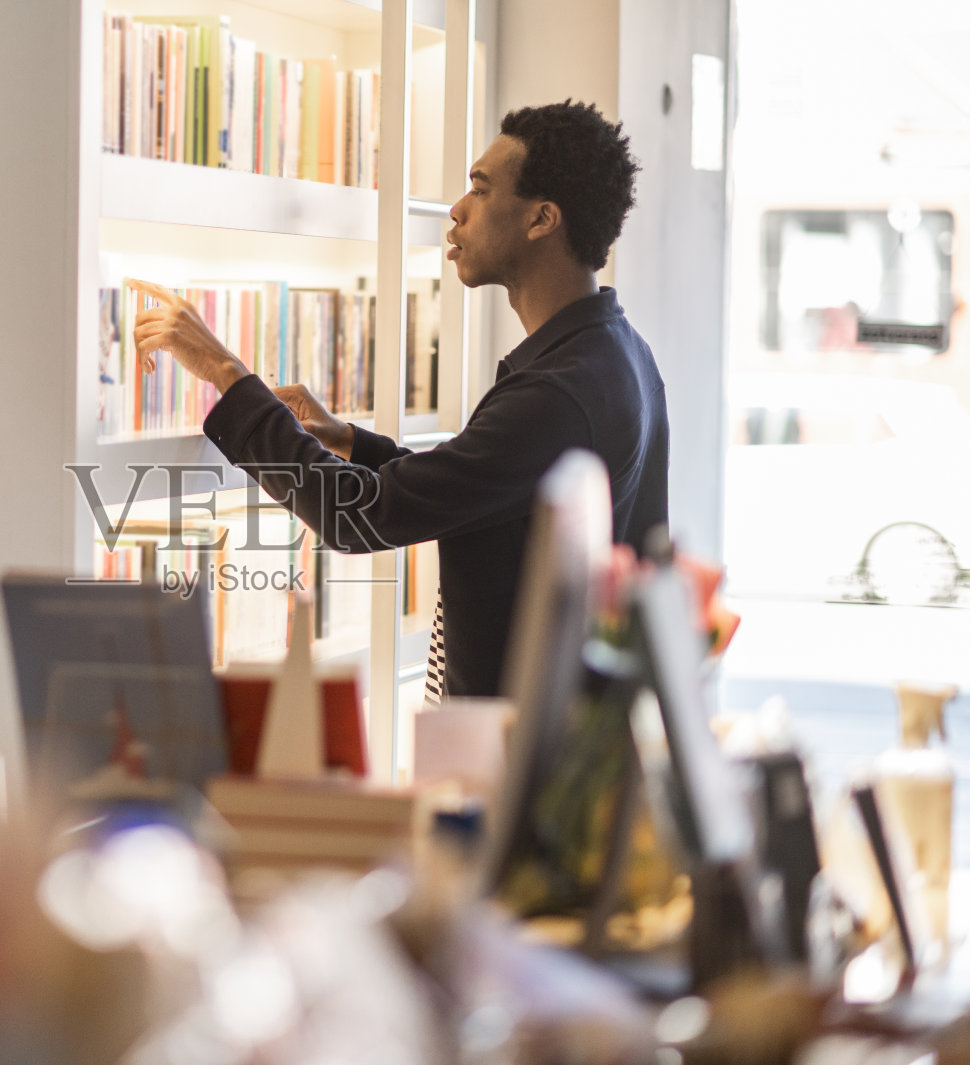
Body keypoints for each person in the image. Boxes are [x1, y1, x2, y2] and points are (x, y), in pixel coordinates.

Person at [133, 100, 668, 699]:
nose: (457, 209)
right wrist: (350, 441)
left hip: (510, 756)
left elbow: (359, 515)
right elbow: (475, 483)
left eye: (481, 190)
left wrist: (227, 373)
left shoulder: (557, 394)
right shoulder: (617, 354)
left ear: (541, 219)